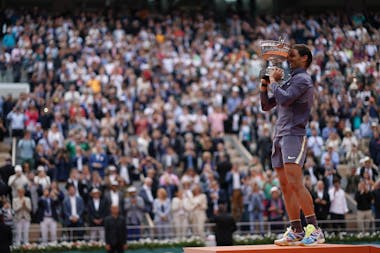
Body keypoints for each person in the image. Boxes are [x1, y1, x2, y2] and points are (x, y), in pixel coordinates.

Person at [260, 44, 324, 246]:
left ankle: (315, 229)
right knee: (286, 186)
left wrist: (275, 83)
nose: (288, 59)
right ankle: (296, 229)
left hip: (294, 135)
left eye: (293, 56)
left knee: (296, 183)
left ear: (305, 58)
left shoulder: (303, 79)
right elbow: (266, 105)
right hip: (280, 135)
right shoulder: (289, 80)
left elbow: (285, 100)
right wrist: (265, 85)